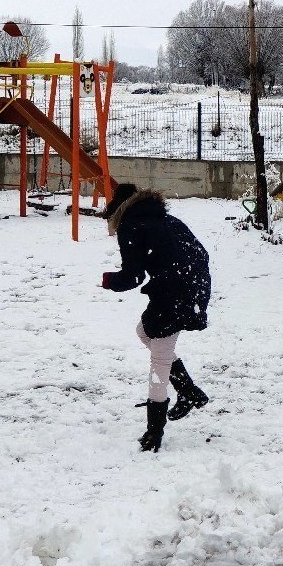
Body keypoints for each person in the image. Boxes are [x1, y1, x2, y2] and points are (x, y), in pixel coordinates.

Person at [100, 183, 212, 452]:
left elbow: (133, 277)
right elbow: (199, 254)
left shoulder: (131, 226)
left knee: (159, 358)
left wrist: (109, 281)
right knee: (144, 332)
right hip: (194, 285)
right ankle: (188, 391)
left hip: (174, 291)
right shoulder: (167, 219)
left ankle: (154, 432)